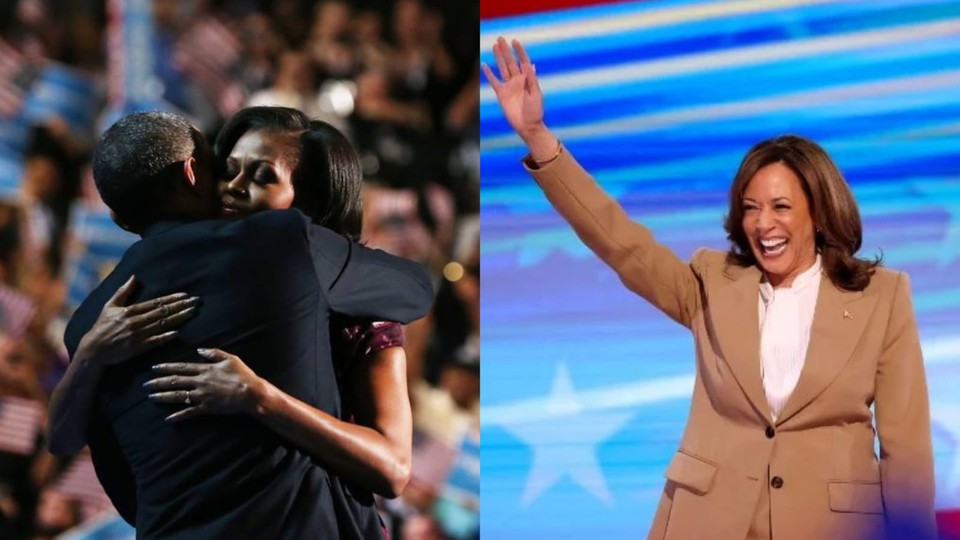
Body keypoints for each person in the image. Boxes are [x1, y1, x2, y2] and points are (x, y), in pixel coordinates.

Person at [483, 38, 936, 540]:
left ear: (820, 212)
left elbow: (907, 452)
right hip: (709, 522)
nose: (763, 223)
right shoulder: (711, 282)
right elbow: (620, 242)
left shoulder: (883, 296)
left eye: (781, 207)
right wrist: (537, 135)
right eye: (750, 207)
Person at [53, 111, 433, 538]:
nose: (234, 187)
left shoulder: (357, 310)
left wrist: (261, 398)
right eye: (228, 170)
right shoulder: (259, 258)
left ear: (305, 204)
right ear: (197, 175)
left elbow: (393, 469)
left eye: (263, 176)